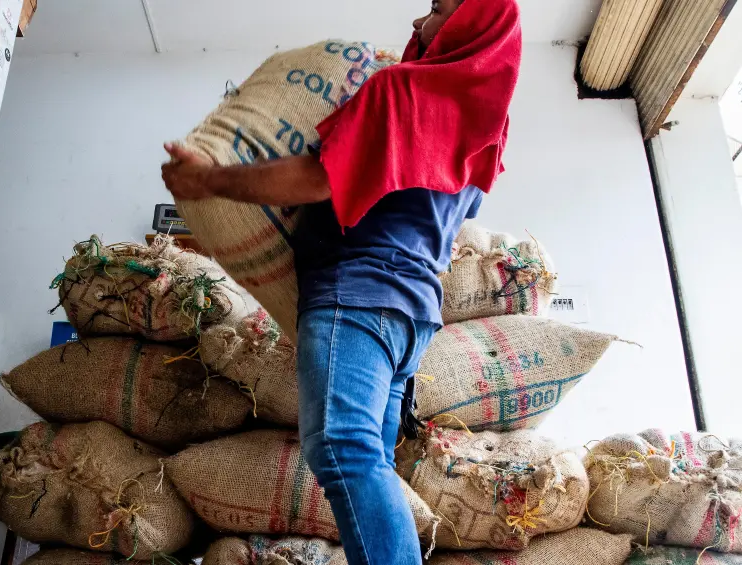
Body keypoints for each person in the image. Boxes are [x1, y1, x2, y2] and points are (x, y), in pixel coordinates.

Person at [162, 1, 521, 563]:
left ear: (470, 23)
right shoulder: (481, 128)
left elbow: (318, 178)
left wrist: (210, 179)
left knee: (341, 449)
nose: (417, 22)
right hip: (413, 311)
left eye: (436, 8)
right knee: (366, 457)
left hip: (358, 290)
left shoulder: (399, 91)